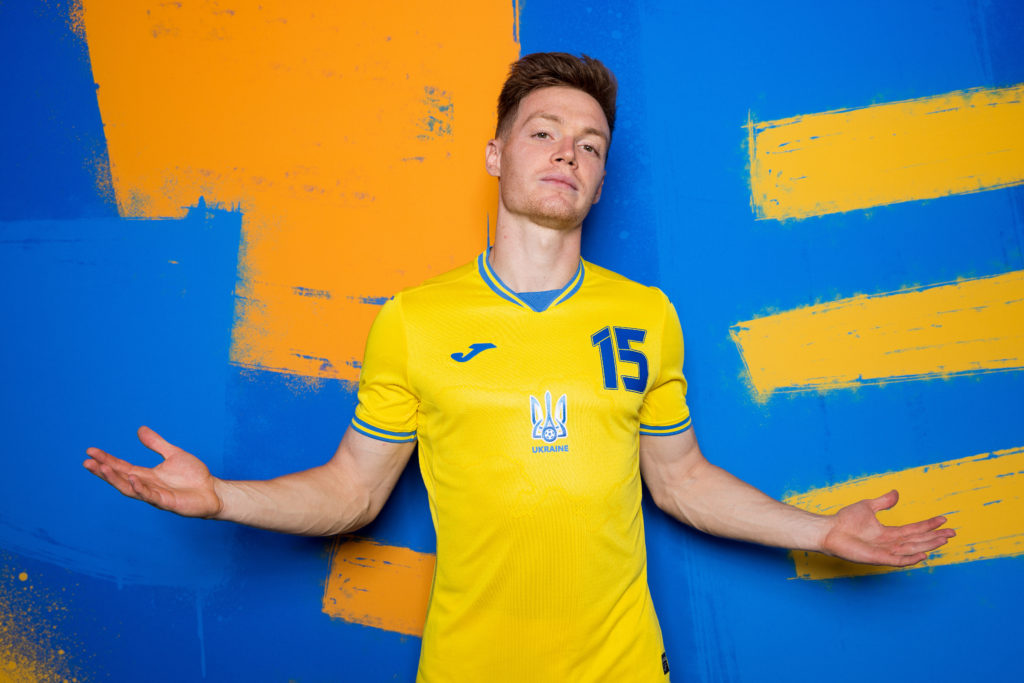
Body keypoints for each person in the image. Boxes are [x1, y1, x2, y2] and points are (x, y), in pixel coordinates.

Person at [84, 52, 955, 682]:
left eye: (591, 144)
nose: (568, 153)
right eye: (543, 132)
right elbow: (352, 492)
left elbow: (682, 481)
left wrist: (820, 531)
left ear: (603, 178)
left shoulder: (645, 316)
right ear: (496, 155)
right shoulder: (415, 320)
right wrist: (222, 497)